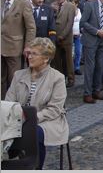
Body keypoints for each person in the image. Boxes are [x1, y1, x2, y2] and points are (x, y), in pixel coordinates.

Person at [5, 37, 69, 170]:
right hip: (18, 118)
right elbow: (9, 101)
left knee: (33, 132)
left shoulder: (57, 78)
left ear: (46, 58)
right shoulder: (19, 75)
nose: (29, 56)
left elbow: (54, 109)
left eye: (34, 54)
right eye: (29, 53)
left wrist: (32, 118)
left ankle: (35, 167)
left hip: (48, 121)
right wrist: (17, 117)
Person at [1, 0, 36, 99]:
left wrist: (28, 46)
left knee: (14, 79)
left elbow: (31, 27)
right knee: (1, 79)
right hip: (1, 47)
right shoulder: (1, 2)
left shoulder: (23, 3)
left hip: (15, 48)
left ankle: (14, 104)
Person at [80, 0, 103, 104]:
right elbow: (83, 23)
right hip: (91, 40)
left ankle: (96, 90)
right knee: (90, 67)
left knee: (100, 66)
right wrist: (96, 31)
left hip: (102, 40)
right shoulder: (90, 5)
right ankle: (87, 93)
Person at [53, 0, 77, 88]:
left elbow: (69, 23)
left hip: (66, 37)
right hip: (55, 36)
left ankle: (71, 78)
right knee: (57, 60)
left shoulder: (70, 6)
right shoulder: (53, 5)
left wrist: (62, 35)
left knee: (68, 60)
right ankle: (60, 78)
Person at [70, 0, 82, 75]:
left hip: (78, 34)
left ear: (77, 4)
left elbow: (81, 21)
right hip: (70, 34)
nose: (72, 4)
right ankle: (70, 68)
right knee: (70, 53)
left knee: (78, 51)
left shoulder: (79, 11)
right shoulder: (68, 11)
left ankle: (77, 67)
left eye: (73, 3)